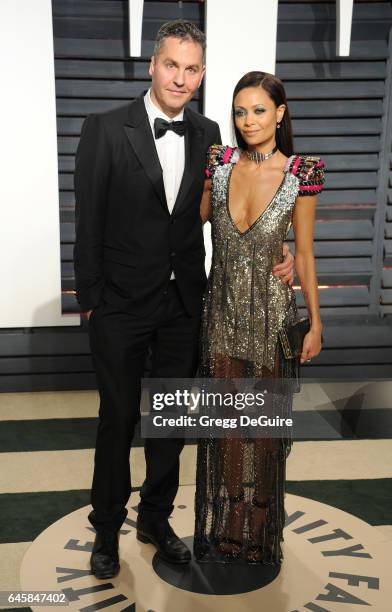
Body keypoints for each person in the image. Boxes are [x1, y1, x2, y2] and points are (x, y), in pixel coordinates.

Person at [74, 20, 295, 578]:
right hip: (119, 306)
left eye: (192, 68)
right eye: (171, 65)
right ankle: (105, 529)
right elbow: (86, 220)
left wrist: (282, 251)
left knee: (170, 422)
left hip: (182, 305)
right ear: (153, 65)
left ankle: (154, 518)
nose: (181, 77)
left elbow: (234, 205)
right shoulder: (103, 128)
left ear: (200, 75)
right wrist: (93, 300)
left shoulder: (210, 131)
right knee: (118, 418)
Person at [194, 71, 325, 565]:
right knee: (227, 426)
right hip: (221, 313)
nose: (248, 121)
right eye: (240, 111)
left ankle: (261, 519)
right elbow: (195, 219)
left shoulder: (301, 174)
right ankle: (229, 518)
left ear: (280, 113)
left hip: (271, 317)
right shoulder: (220, 163)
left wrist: (315, 321)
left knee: (264, 428)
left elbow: (306, 255)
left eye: (259, 110)